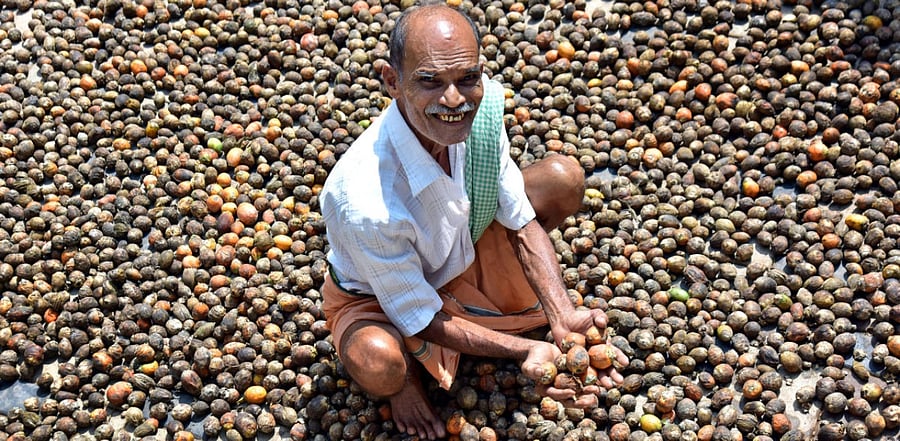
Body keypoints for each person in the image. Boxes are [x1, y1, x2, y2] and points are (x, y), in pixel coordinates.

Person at [319, 3, 627, 439]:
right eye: (429, 82)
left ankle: (499, 317)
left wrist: (563, 314)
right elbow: (419, 316)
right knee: (379, 363)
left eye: (467, 78)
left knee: (563, 178)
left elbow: (519, 220)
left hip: (459, 245)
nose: (453, 101)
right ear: (391, 81)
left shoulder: (480, 116)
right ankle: (405, 384)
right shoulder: (364, 200)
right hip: (382, 296)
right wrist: (524, 350)